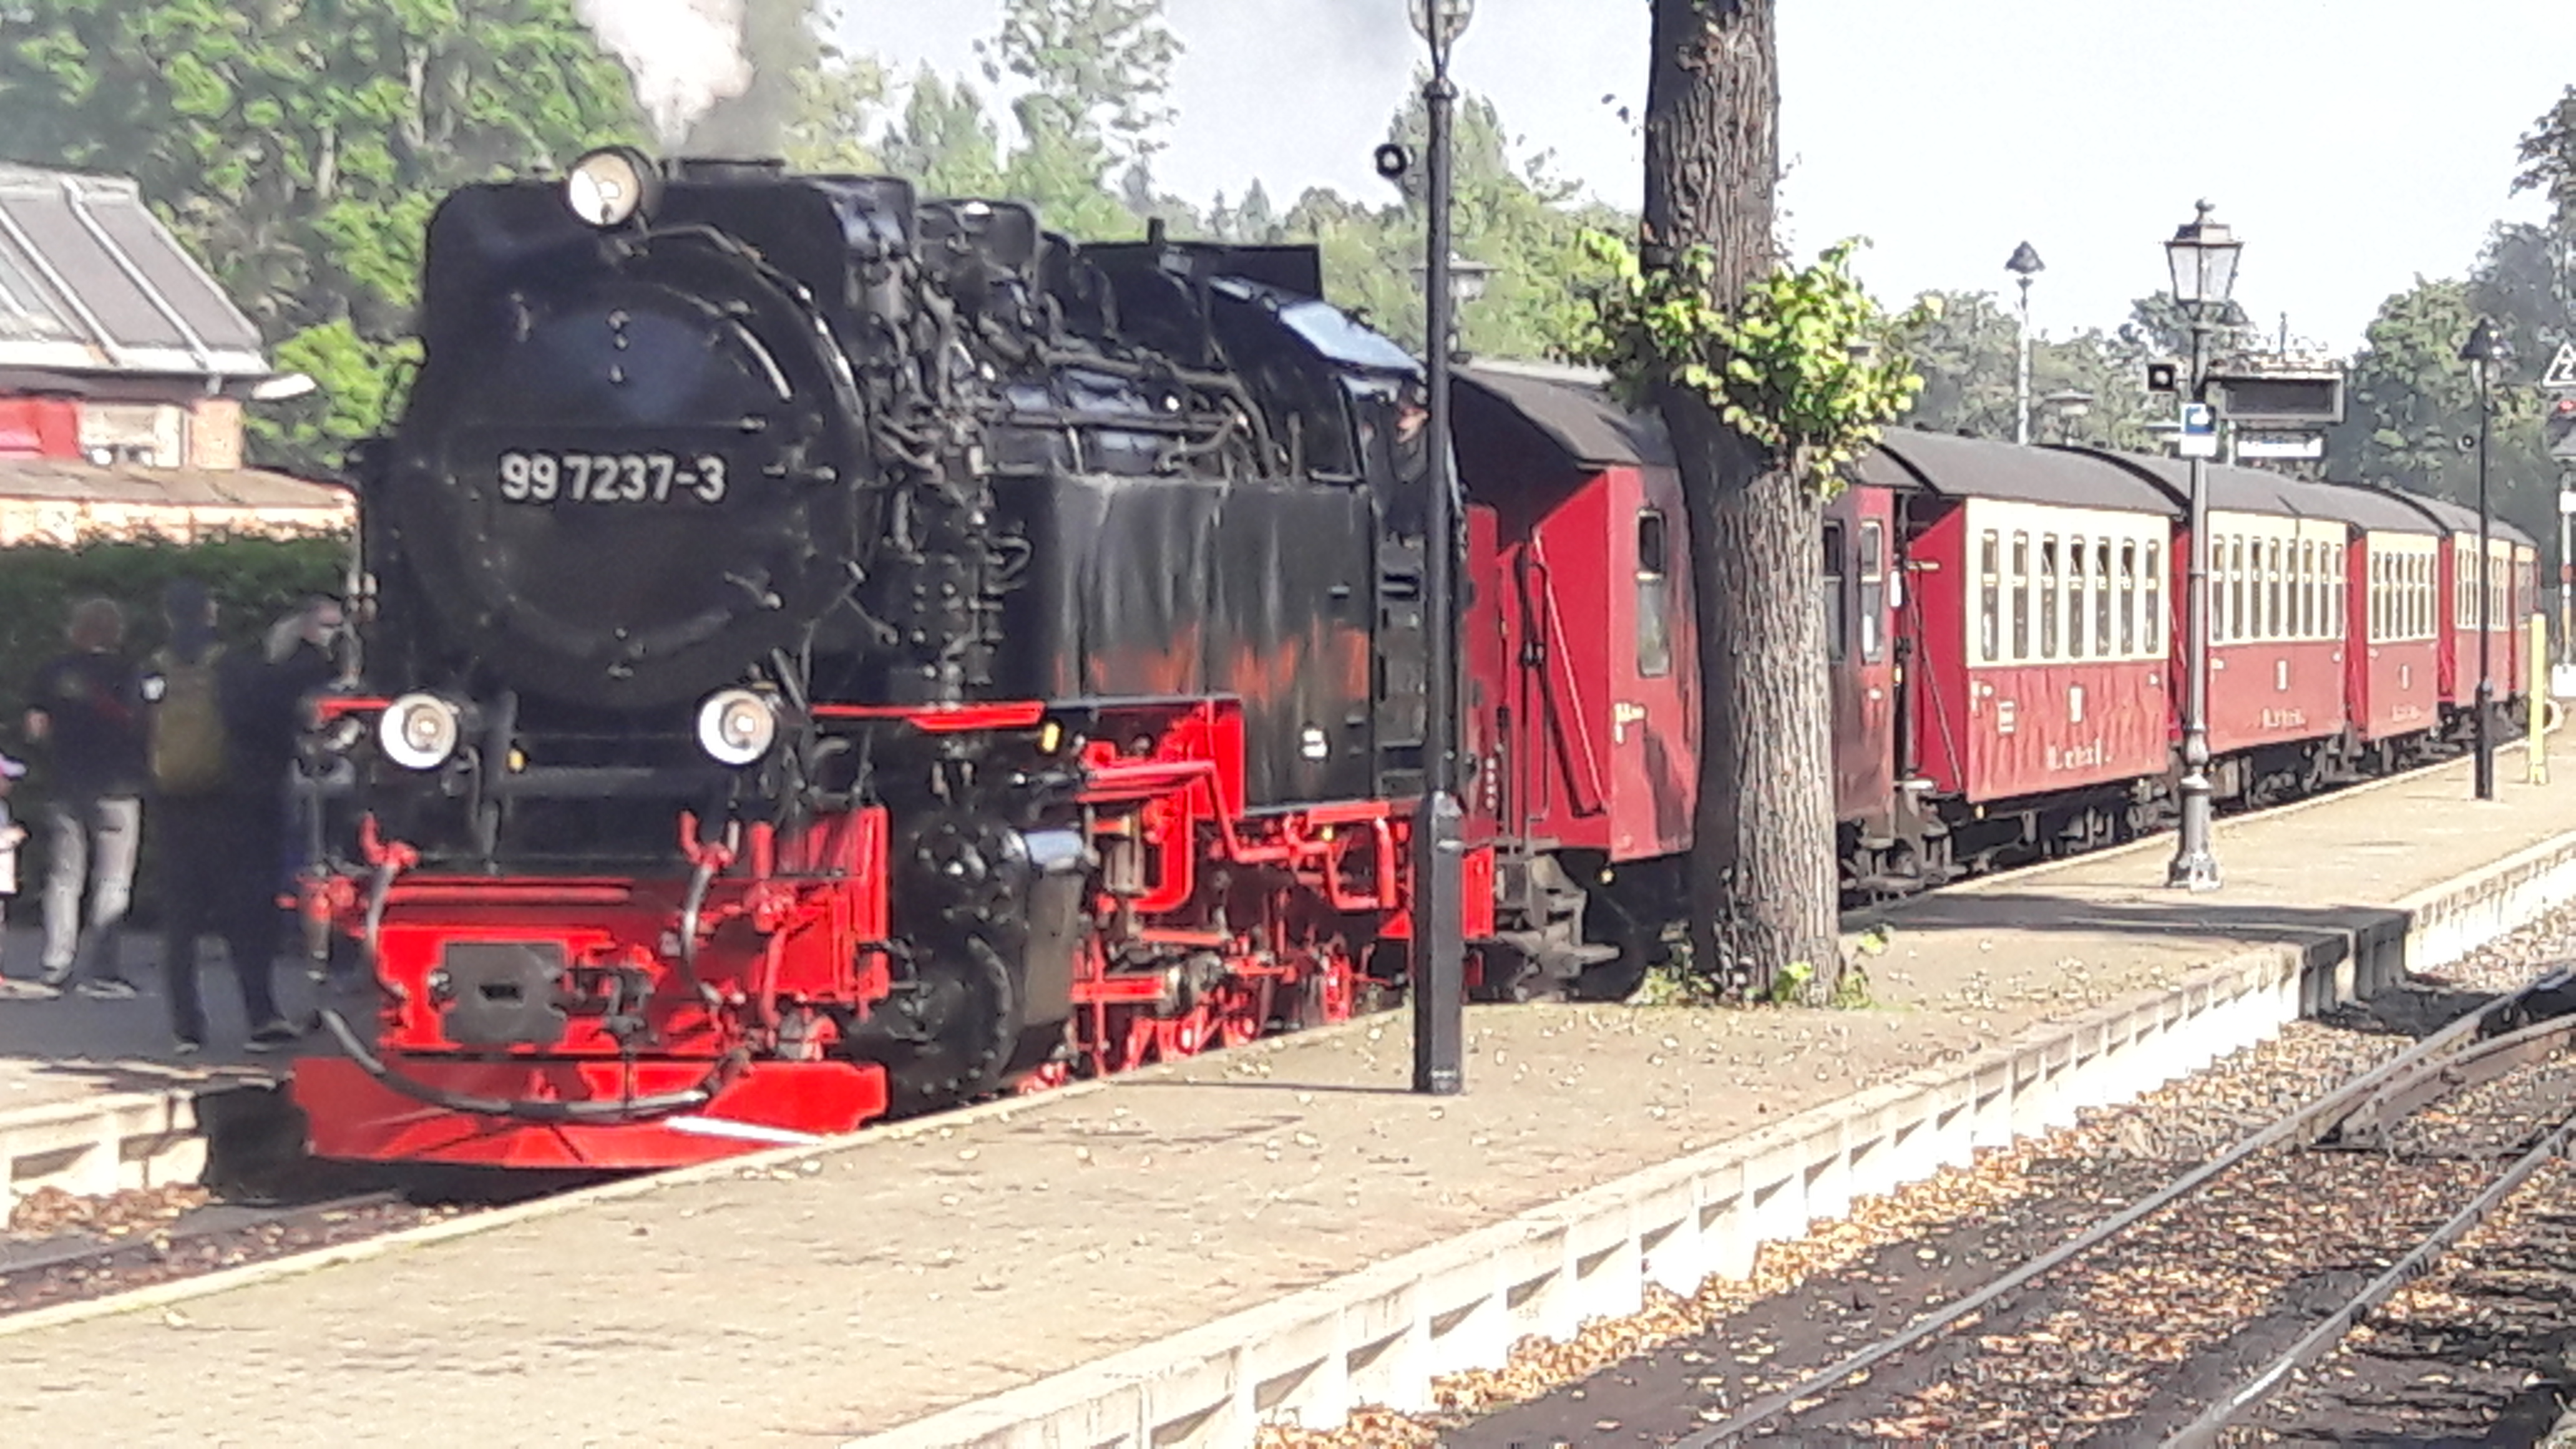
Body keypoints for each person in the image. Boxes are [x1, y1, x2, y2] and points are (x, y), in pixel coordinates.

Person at [146, 580, 294, 1054]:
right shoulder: (236, 667)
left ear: (168, 615)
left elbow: (138, 734)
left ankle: (186, 1027)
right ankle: (261, 1017)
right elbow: (273, 726)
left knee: (180, 921)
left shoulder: (152, 669)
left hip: (173, 805)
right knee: (246, 914)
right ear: (211, 612)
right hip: (234, 806)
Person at [22, 598, 144, 998]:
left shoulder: (53, 671)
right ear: (117, 631)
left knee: (64, 877)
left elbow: (36, 729)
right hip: (118, 788)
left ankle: (56, 964)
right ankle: (103, 972)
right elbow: (147, 725)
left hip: (66, 783)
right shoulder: (130, 672)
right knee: (113, 879)